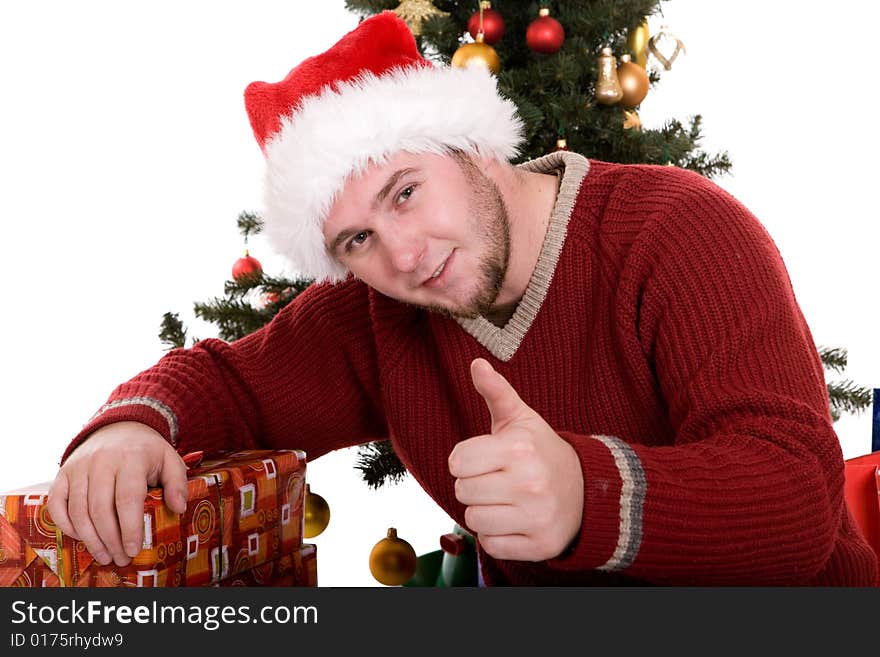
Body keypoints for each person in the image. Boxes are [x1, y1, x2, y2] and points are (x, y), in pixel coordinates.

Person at [47, 11, 877, 586]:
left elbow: (796, 503)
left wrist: (587, 492)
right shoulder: (382, 314)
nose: (402, 256)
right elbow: (231, 381)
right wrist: (130, 423)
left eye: (405, 192)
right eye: (355, 241)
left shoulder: (680, 231)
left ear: (473, 147)